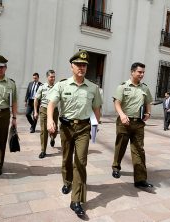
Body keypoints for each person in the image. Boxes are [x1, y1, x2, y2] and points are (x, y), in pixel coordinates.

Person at [47, 50, 102, 216]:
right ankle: (67, 181)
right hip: (66, 127)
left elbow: (96, 108)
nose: (81, 67)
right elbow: (51, 103)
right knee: (66, 158)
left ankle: (76, 200)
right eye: (78, 64)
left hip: (84, 128)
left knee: (80, 161)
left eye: (84, 65)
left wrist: (95, 125)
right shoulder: (62, 85)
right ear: (72, 66)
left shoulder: (93, 87)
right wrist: (50, 119)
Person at [111, 62, 154, 189]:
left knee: (139, 150)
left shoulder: (145, 88)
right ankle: (116, 167)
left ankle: (140, 179)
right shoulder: (122, 87)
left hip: (139, 123)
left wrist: (148, 112)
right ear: (132, 72)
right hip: (124, 122)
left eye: (143, 72)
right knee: (121, 146)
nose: (142, 74)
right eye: (139, 72)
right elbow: (117, 103)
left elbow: (148, 102)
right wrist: (122, 115)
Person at [34, 70, 59, 159]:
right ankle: (43, 150)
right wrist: (35, 111)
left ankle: (52, 138)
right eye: (51, 77)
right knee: (43, 131)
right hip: (44, 110)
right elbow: (36, 99)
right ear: (47, 77)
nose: (53, 78)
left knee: (54, 129)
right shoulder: (42, 87)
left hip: (54, 111)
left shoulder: (57, 87)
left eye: (54, 77)